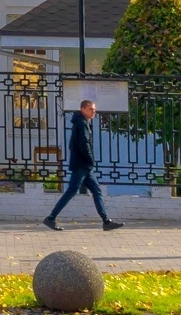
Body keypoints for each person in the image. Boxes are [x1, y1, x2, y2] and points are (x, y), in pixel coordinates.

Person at [43, 97, 122, 231]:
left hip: (85, 166)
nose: (94, 112)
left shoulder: (81, 122)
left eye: (95, 110)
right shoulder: (81, 123)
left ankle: (106, 221)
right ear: (83, 109)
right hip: (82, 165)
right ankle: (50, 218)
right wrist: (91, 160)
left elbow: (73, 144)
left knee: (96, 191)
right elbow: (84, 144)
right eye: (91, 109)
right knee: (72, 191)